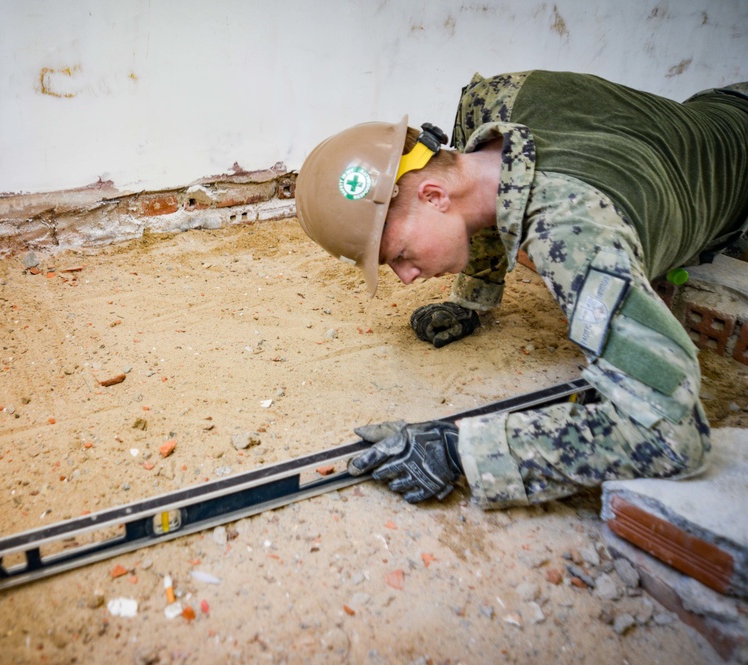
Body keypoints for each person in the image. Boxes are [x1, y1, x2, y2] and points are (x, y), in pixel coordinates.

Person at [294, 70, 748, 509]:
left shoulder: (574, 233)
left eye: (398, 255)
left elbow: (670, 435)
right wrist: (472, 300)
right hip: (726, 106)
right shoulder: (487, 104)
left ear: (433, 196)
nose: (406, 277)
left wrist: (463, 452)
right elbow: (492, 196)